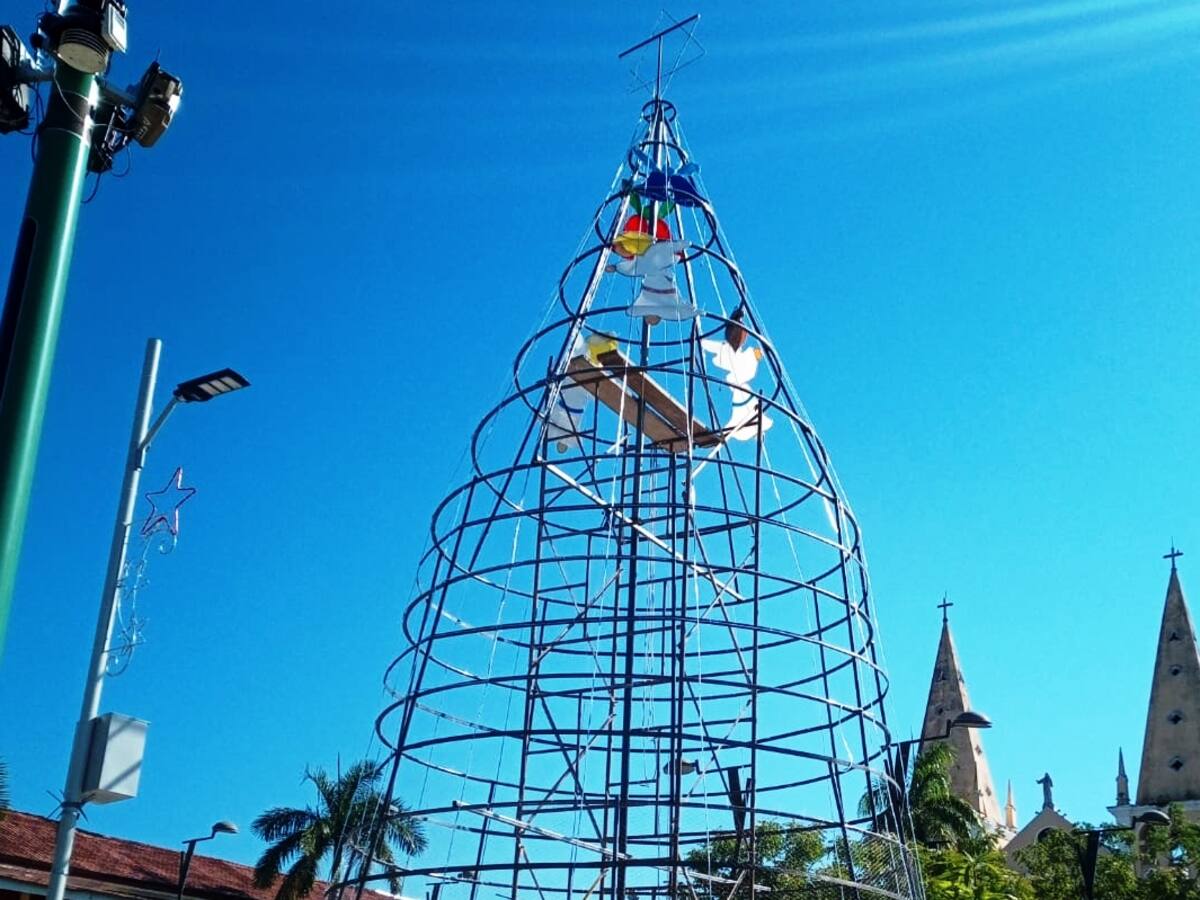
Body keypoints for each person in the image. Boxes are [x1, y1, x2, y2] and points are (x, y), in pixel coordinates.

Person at [606, 239, 697, 325]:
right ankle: (676, 246)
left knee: (651, 258)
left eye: (648, 318)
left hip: (653, 281)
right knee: (653, 257)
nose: (649, 319)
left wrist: (616, 268)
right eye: (651, 318)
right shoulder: (669, 299)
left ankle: (676, 246)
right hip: (657, 278)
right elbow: (683, 310)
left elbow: (634, 267)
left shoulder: (650, 265)